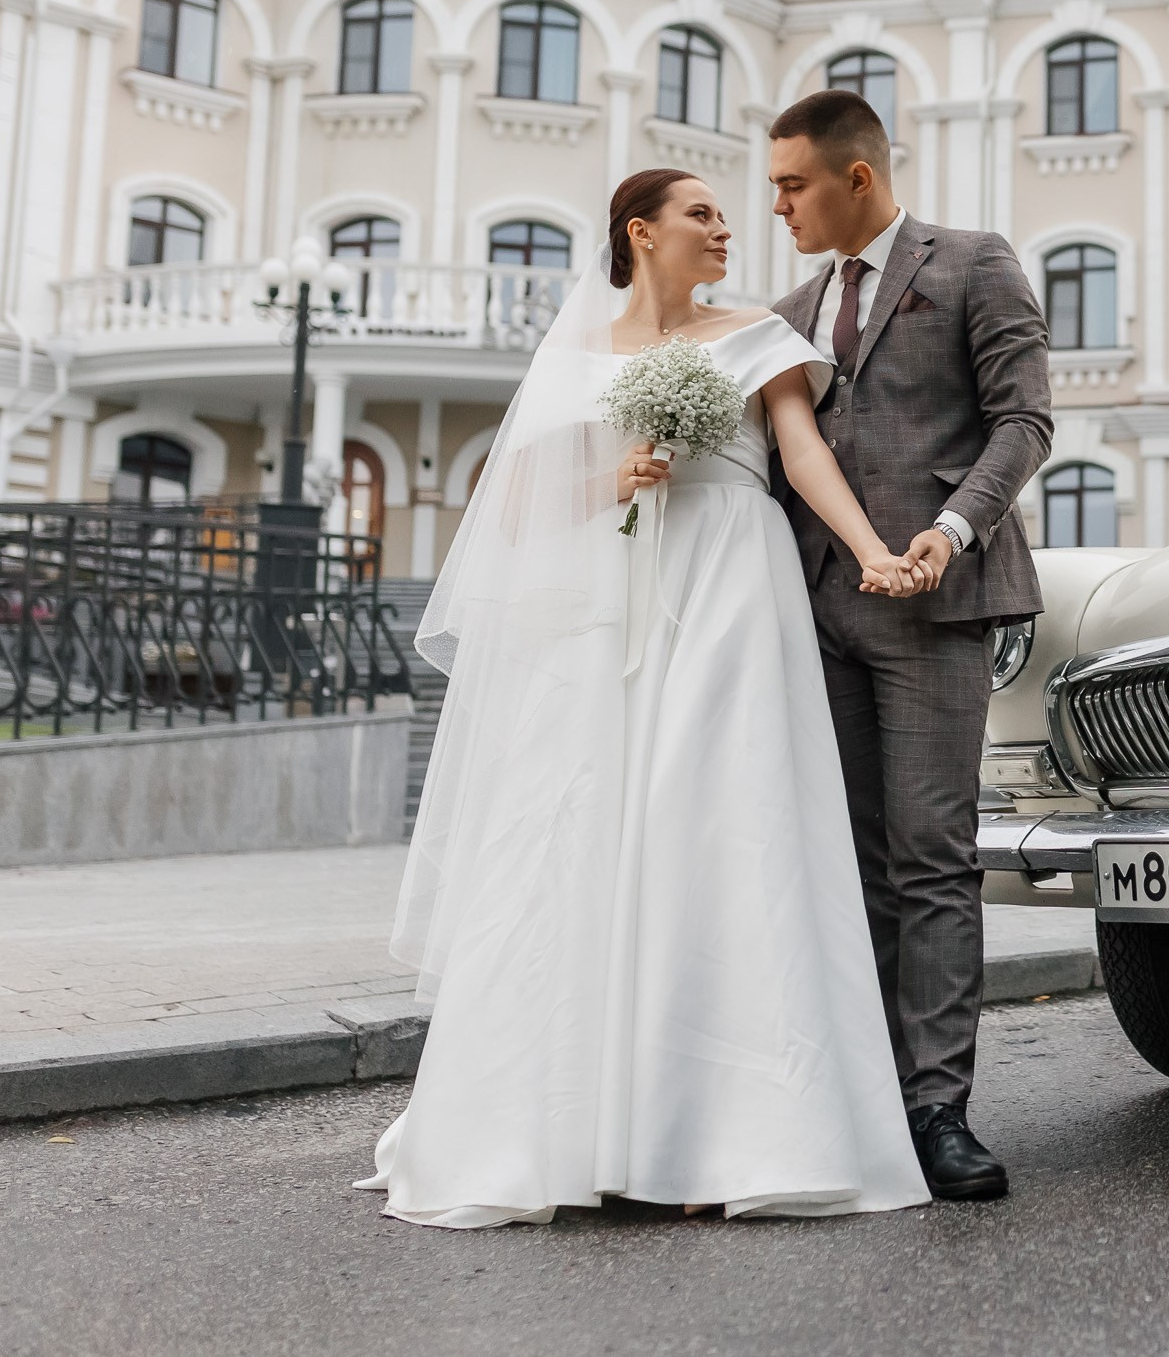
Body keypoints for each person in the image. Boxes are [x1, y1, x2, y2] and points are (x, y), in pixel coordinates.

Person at [358, 168, 932, 1227]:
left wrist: (871, 553)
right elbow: (519, 509)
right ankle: (580, 1132)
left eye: (725, 213)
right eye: (702, 214)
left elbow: (800, 455)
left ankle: (721, 1133)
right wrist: (611, 482)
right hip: (605, 607)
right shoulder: (572, 356)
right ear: (642, 232)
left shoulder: (755, 332)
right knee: (584, 834)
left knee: (725, 824)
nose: (726, 229)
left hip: (728, 586)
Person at [768, 91, 1053, 1201]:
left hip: (938, 604)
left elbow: (1024, 421)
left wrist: (947, 531)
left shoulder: (974, 263)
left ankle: (938, 1112)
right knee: (856, 865)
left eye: (793, 185)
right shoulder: (787, 311)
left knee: (932, 859)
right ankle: (871, 1101)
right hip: (820, 612)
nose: (779, 204)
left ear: (857, 178)